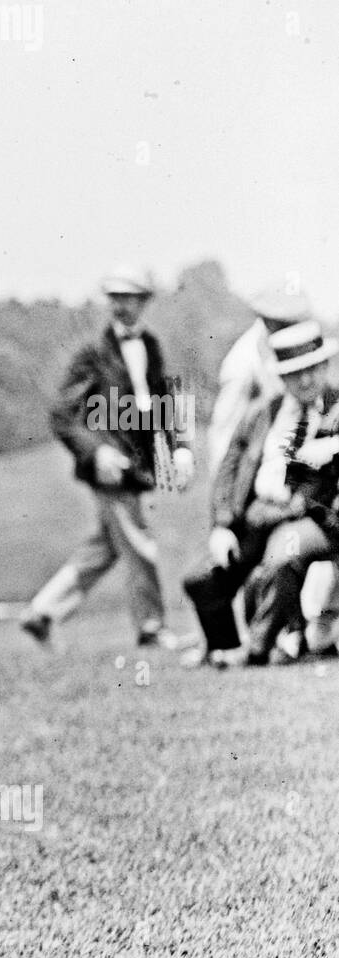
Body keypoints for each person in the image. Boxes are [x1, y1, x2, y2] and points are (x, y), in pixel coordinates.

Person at [19, 265, 195, 648]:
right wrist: (97, 451)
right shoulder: (92, 353)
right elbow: (61, 415)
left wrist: (179, 450)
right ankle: (152, 628)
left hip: (137, 468)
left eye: (129, 298)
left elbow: (161, 404)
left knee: (107, 547)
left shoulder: (150, 346)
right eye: (114, 298)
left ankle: (41, 612)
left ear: (144, 302)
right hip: (109, 472)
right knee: (139, 541)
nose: (120, 307)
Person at [182, 320, 339, 667]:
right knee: (203, 577)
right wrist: (223, 525)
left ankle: (256, 649)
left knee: (283, 554)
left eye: (312, 369)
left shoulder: (336, 409)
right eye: (294, 373)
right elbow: (228, 470)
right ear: (281, 377)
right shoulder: (262, 414)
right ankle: (221, 646)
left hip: (316, 518)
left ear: (324, 366)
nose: (306, 380)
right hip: (257, 515)